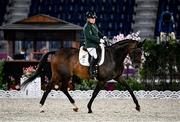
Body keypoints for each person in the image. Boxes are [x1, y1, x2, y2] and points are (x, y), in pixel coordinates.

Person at [83, 11, 106, 78]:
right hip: (90, 45)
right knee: (95, 56)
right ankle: (91, 71)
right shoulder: (86, 27)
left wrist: (103, 36)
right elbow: (90, 36)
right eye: (92, 18)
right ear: (88, 19)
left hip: (96, 44)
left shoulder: (94, 25)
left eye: (94, 18)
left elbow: (98, 32)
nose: (94, 19)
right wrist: (99, 40)